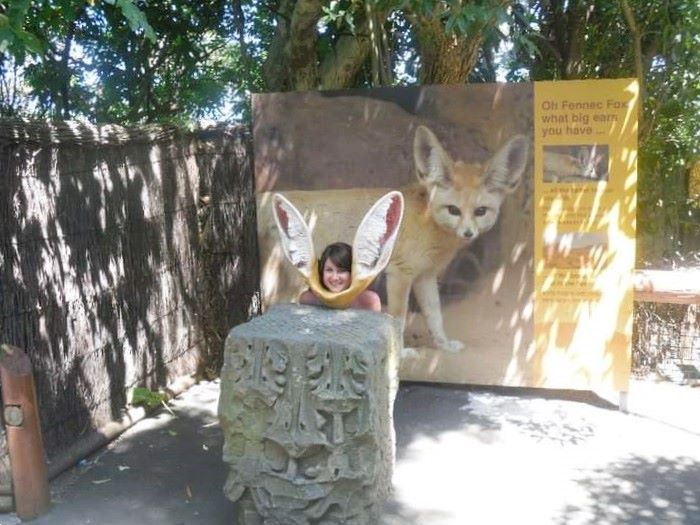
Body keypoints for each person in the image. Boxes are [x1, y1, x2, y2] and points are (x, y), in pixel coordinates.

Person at [299, 242, 381, 312]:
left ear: (353, 273)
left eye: (341, 271)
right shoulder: (310, 299)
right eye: (329, 270)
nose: (334, 278)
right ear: (322, 271)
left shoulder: (368, 301)